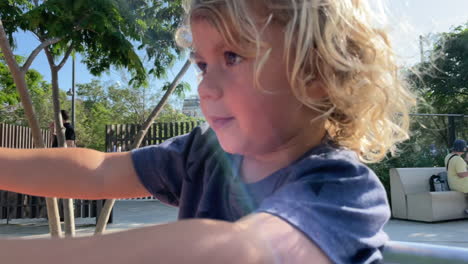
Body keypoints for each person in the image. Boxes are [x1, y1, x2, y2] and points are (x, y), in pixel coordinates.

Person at [0, 0, 416, 263]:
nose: (204, 87)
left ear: (317, 73)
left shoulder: (340, 188)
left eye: (232, 56)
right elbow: (101, 171)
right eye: (202, 65)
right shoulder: (204, 155)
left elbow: (238, 251)